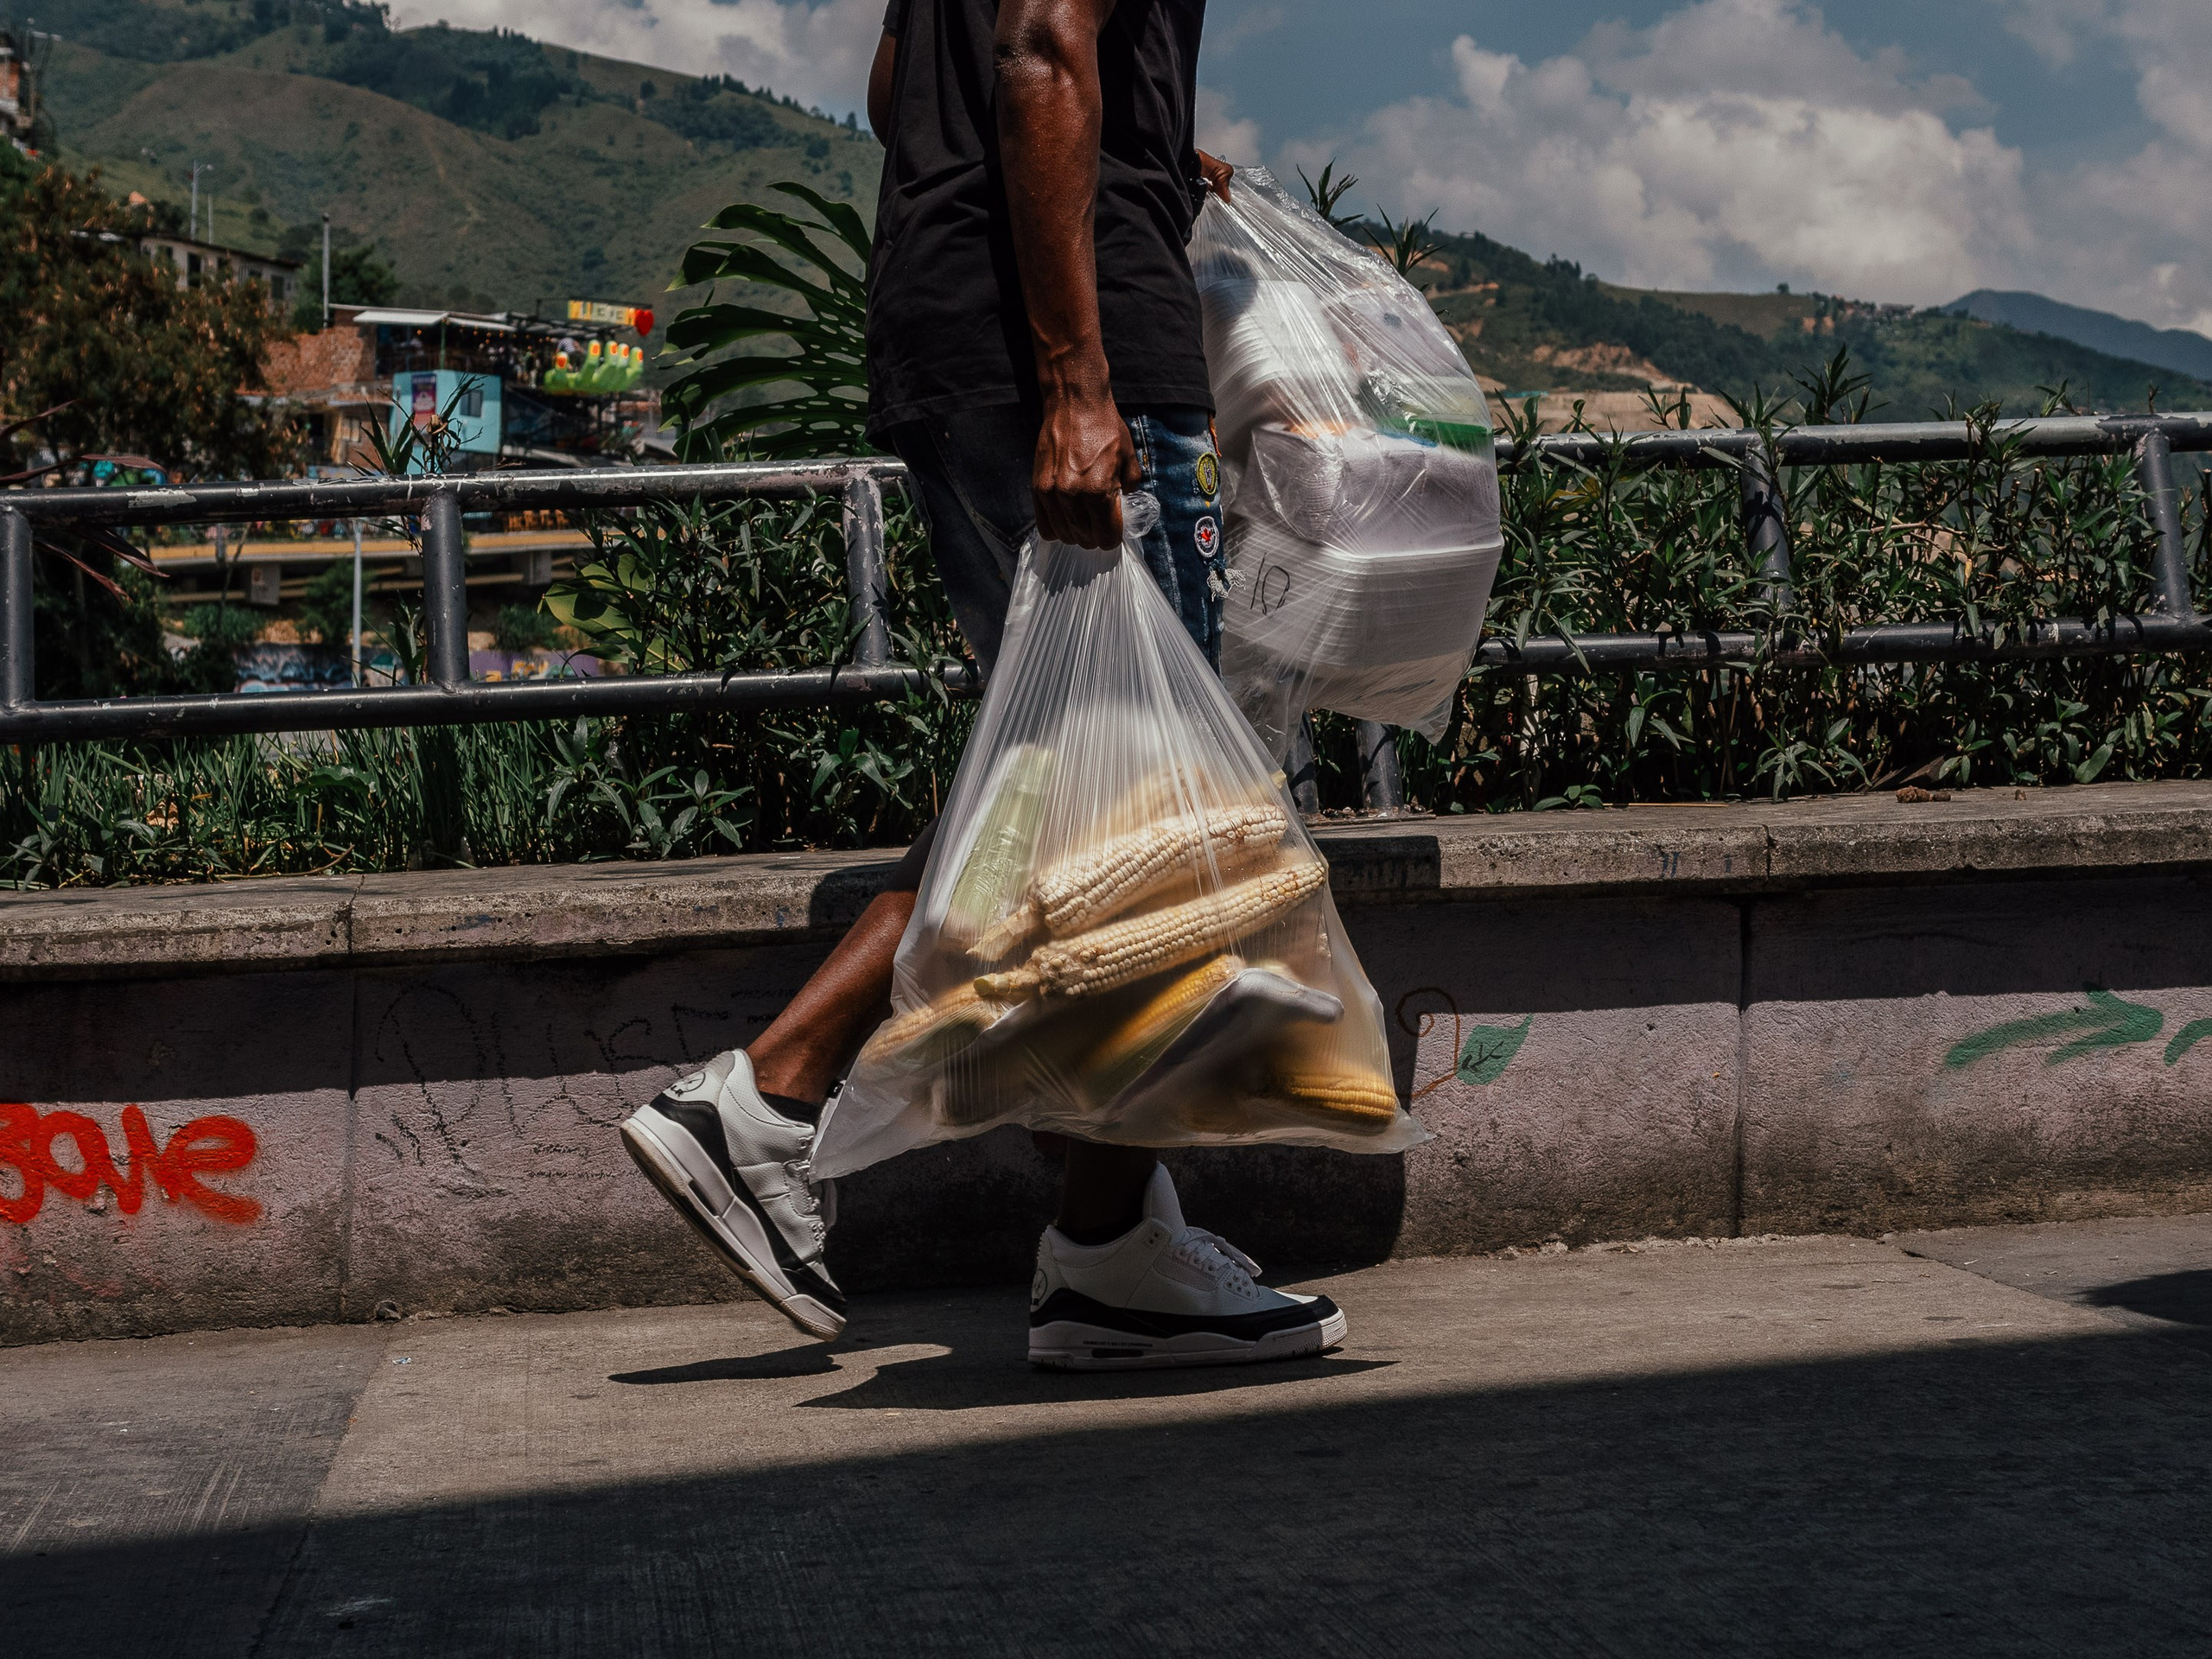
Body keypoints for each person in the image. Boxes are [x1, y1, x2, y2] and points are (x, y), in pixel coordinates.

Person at [620, 0, 1347, 1370]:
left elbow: (913, 82)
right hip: (1063, 367)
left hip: (958, 329)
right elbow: (1038, 48)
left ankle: (1097, 1245)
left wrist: (1124, 148)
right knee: (1147, 803)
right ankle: (794, 1104)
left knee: (1077, 782)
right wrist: (1078, 375)